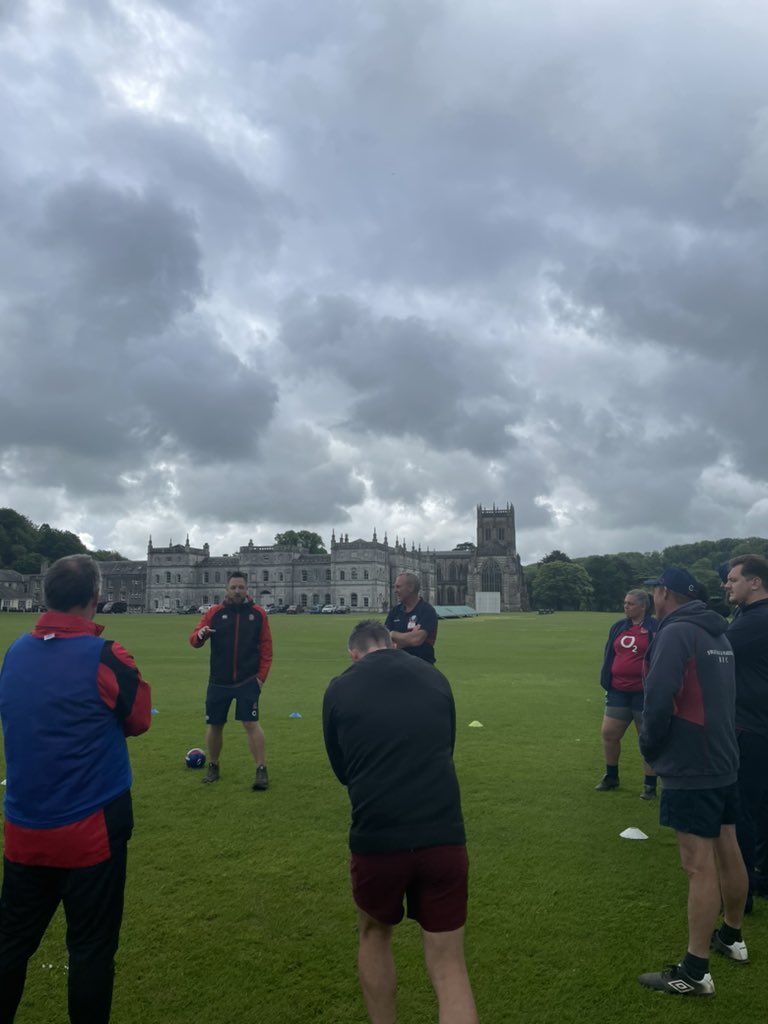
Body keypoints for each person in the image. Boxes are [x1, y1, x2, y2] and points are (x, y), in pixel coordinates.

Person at [0, 554, 152, 1024]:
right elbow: (139, 719)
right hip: (91, 830)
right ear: (95, 598)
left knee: (10, 945)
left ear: (45, 597)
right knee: (90, 948)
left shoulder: (14, 652)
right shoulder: (107, 656)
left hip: (24, 828)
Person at [322, 620, 477, 1024]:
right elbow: (447, 745)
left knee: (374, 935)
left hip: (378, 834)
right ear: (391, 644)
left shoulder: (340, 686)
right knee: (449, 965)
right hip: (443, 834)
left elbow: (342, 770)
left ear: (354, 653)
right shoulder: (435, 677)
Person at [637, 568, 748, 997]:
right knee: (727, 845)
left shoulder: (676, 632)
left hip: (691, 763)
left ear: (664, 593)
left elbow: (659, 696)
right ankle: (732, 937)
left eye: (654, 591)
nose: (652, 598)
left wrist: (650, 747)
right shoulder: (718, 631)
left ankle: (695, 971)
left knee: (697, 864)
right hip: (723, 758)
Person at [189, 571, 273, 790]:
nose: (237, 591)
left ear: (247, 589)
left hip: (248, 680)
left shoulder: (258, 614)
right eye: (233, 587)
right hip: (218, 680)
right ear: (226, 589)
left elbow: (267, 649)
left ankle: (261, 769)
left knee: (251, 723)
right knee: (215, 724)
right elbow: (194, 638)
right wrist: (201, 635)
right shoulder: (215, 613)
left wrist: (261, 678)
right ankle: (213, 766)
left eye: (241, 587)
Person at [723, 555, 768, 907]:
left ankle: (744, 889)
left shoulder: (755, 620)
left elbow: (716, 647)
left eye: (734, 579)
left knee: (743, 810)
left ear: (755, 583)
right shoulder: (750, 616)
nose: (727, 584)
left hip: (751, 726)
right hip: (757, 724)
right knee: (761, 806)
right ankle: (761, 877)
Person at [594, 589, 658, 799]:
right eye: (625, 603)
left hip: (644, 694)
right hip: (618, 691)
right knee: (609, 734)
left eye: (630, 603)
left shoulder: (655, 628)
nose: (626, 607)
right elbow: (609, 654)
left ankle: (649, 785)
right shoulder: (619, 627)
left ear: (643, 606)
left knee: (646, 739)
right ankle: (611, 776)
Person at [384, 572, 438, 664]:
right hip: (397, 666)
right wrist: (409, 637)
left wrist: (393, 634)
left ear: (411, 588)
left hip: (422, 668)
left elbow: (416, 640)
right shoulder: (395, 612)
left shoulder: (427, 611)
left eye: (398, 587)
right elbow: (385, 642)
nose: (395, 591)